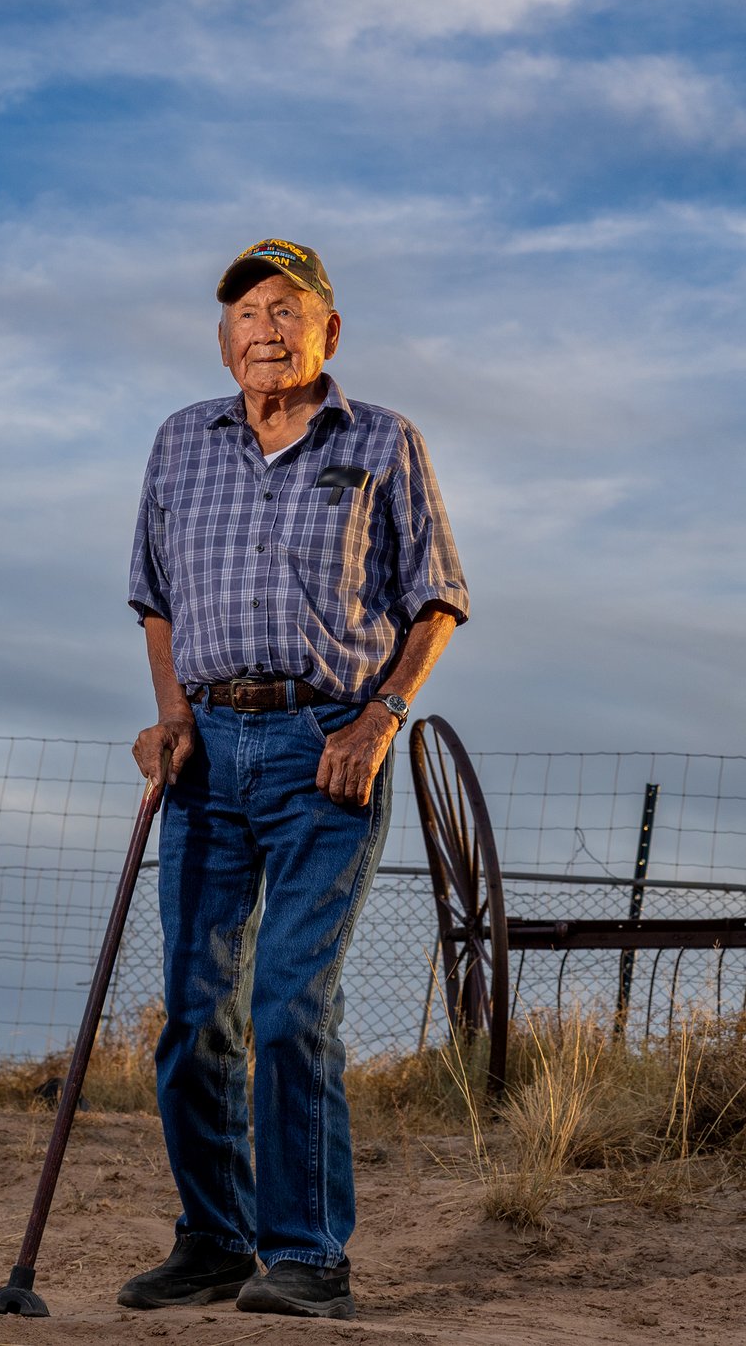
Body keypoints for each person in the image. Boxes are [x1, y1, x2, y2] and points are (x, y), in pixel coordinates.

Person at [116, 239, 468, 1320]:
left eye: (283, 308)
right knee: (192, 1010)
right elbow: (156, 600)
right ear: (223, 337)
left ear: (329, 329)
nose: (262, 328)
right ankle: (215, 1241)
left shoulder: (382, 440)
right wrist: (170, 719)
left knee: (288, 1005)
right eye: (243, 312)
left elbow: (436, 599)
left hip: (329, 748)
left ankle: (308, 1253)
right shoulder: (181, 441)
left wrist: (380, 717)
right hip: (209, 750)